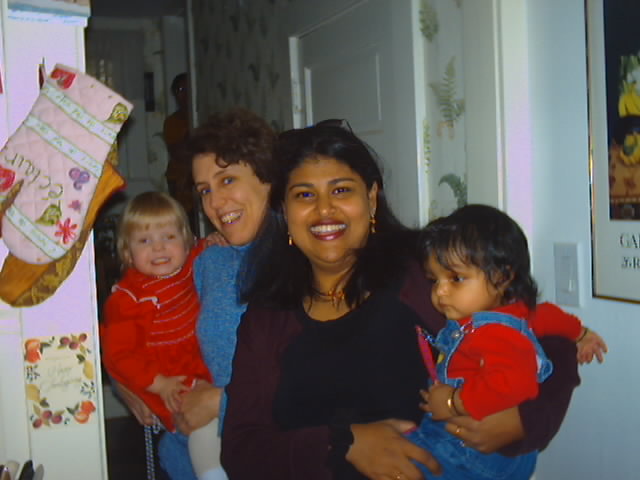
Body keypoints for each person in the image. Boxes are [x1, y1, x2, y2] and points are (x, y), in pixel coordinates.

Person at [221, 122, 581, 480]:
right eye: (304, 195)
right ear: (284, 211)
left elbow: (542, 335)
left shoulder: (427, 274)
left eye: (341, 190)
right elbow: (240, 450)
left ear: (371, 198)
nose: (324, 209)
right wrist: (342, 443)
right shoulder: (266, 317)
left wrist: (526, 422)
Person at [115, 108, 277, 479]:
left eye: (227, 180)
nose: (215, 203)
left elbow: (315, 387)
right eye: (205, 190)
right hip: (186, 456)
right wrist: (126, 382)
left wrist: (221, 402)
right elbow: (147, 320)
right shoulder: (209, 261)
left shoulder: (301, 261)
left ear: (268, 178)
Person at [404, 204, 608, 479]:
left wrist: (454, 402)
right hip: (480, 446)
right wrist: (582, 334)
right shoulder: (518, 313)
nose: (440, 291)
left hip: (473, 449)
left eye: (456, 278)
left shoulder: (496, 334)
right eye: (434, 279)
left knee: (402, 467)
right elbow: (550, 316)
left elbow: (514, 385)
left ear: (501, 277)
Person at [100, 191, 223, 480]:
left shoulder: (192, 263)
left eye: (168, 237)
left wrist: (214, 241)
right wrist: (159, 384)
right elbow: (119, 355)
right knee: (201, 427)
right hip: (168, 381)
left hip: (203, 366)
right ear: (128, 252)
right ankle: (211, 473)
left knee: (222, 424)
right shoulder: (128, 299)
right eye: (145, 241)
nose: (158, 248)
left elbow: (204, 248)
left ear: (186, 240)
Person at [163, 73, 196, 227]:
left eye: (187, 88)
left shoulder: (201, 116)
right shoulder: (172, 122)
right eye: (180, 90)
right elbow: (178, 152)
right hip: (179, 179)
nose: (184, 94)